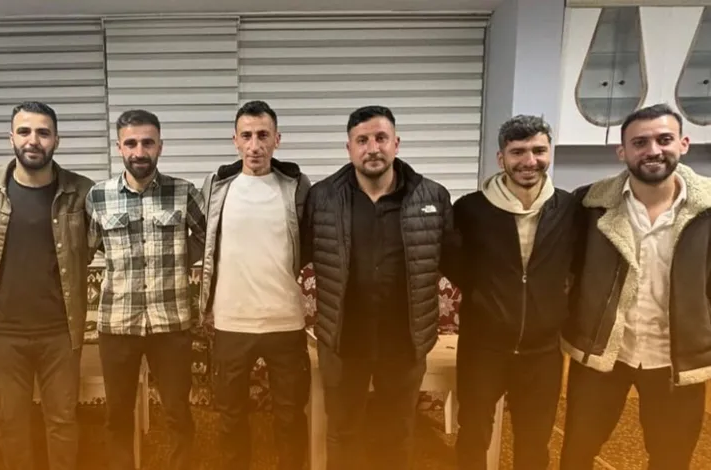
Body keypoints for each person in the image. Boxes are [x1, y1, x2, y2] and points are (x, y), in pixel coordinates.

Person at [300, 105, 456, 470]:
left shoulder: (432, 196)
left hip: (404, 342)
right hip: (343, 340)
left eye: (381, 138)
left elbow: (454, 260)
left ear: (396, 143)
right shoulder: (322, 197)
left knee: (397, 431)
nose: (372, 148)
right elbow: (299, 253)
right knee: (342, 432)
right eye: (362, 140)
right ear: (349, 148)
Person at [560, 103, 711, 470]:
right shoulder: (589, 204)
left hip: (676, 358)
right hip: (603, 353)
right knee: (576, 453)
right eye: (640, 142)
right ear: (622, 151)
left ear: (684, 144)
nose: (653, 150)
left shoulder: (707, 211)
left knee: (671, 459)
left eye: (664, 139)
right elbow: (566, 269)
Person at [0, 101, 100, 470]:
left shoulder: (82, 191)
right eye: (24, 131)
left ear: (57, 139)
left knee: (62, 420)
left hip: (61, 332)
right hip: (2, 333)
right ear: (10, 137)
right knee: (11, 421)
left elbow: (102, 243)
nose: (33, 140)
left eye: (43, 133)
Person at [449, 115, 577, 469]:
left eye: (538, 150)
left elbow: (578, 264)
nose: (529, 161)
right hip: (482, 346)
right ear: (501, 158)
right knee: (472, 433)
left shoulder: (568, 209)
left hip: (543, 350)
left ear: (549, 153)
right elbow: (453, 262)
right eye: (518, 151)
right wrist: (484, 295)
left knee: (534, 440)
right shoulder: (470, 209)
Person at [87, 109, 206, 470]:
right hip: (118, 324)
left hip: (171, 323)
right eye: (131, 143)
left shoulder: (183, 192)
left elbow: (208, 237)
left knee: (177, 412)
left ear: (160, 146)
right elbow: (87, 247)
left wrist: (181, 258)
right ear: (119, 147)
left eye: (147, 143)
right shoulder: (98, 196)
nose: (139, 151)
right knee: (118, 415)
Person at [199, 100, 311, 470]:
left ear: (277, 139)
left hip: (285, 321)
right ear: (234, 140)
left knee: (290, 415)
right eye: (246, 136)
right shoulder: (216, 186)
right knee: (230, 416)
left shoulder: (296, 187)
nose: (254, 145)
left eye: (263, 135)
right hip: (232, 322)